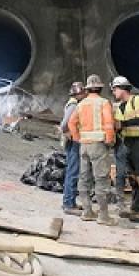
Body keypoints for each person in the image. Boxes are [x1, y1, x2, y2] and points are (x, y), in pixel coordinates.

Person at [67, 74, 117, 226]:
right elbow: (109, 123)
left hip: (84, 145)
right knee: (101, 179)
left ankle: (87, 212)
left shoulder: (81, 104)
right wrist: (109, 140)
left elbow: (71, 123)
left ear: (87, 89)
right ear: (101, 88)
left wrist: (77, 138)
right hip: (98, 145)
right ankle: (103, 216)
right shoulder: (104, 103)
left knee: (84, 178)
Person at [112, 76, 139, 221]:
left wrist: (122, 124)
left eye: (115, 89)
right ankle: (135, 207)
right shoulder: (119, 106)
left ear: (123, 89)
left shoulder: (138, 101)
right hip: (127, 142)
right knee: (133, 176)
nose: (114, 92)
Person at [60, 81, 86, 215]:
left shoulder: (74, 103)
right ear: (78, 93)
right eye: (83, 92)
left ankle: (70, 201)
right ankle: (69, 204)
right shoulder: (74, 105)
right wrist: (68, 133)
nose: (85, 94)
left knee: (72, 171)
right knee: (73, 172)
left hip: (74, 141)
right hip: (74, 142)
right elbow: (64, 124)